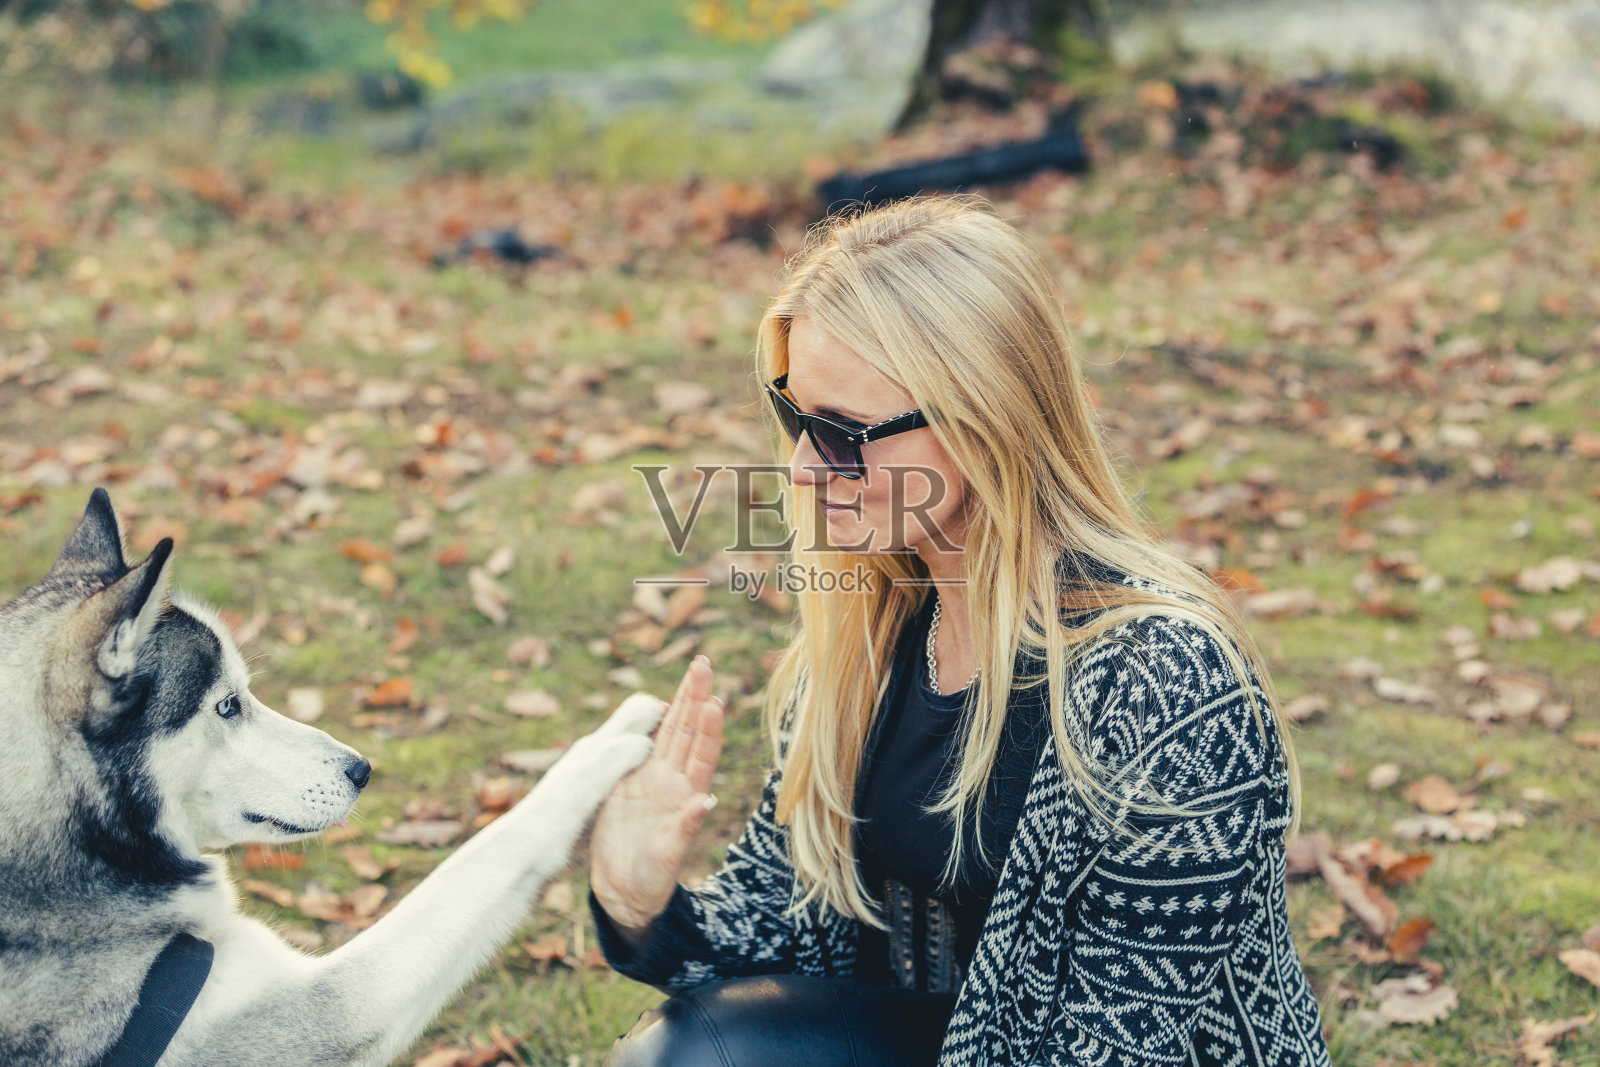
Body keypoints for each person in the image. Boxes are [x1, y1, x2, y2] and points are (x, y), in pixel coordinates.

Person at [587, 196, 1332, 1066]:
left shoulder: (1165, 682)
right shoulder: (872, 631)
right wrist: (641, 903)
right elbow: (780, 949)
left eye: (842, 434)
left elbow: (1122, 1043)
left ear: (984, 421)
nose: (801, 467)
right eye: (795, 417)